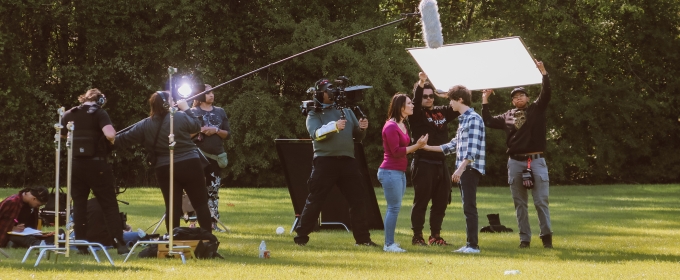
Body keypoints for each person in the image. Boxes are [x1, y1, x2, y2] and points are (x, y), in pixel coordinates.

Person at [293, 78, 377, 247]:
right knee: (316, 199)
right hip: (325, 161)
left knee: (358, 199)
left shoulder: (346, 110)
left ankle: (363, 239)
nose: (332, 93)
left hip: (347, 161)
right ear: (319, 94)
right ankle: (301, 236)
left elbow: (357, 137)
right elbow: (316, 134)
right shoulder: (313, 113)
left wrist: (362, 128)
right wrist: (335, 127)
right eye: (328, 90)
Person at [115, 91, 213, 234]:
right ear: (167, 103)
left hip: (164, 168)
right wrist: (186, 108)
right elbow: (197, 126)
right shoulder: (179, 116)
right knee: (200, 204)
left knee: (172, 206)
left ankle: (173, 241)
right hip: (190, 164)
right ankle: (208, 240)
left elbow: (122, 140)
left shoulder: (145, 124)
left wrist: (106, 138)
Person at [481, 60, 553, 249]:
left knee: (540, 202)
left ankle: (546, 238)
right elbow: (487, 120)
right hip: (515, 162)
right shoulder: (507, 116)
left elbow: (546, 93)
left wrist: (543, 73)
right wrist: (485, 98)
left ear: (528, 98)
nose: (519, 98)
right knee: (520, 204)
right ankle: (524, 240)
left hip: (536, 160)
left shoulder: (537, 109)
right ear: (512, 101)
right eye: (515, 97)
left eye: (522, 95)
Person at [61, 88, 129, 255]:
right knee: (109, 204)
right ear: (100, 101)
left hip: (75, 165)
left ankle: (82, 246)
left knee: (79, 205)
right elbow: (110, 134)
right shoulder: (99, 113)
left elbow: (63, 135)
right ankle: (119, 244)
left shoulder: (69, 113)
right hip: (97, 165)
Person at [423, 85, 486, 254]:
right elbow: (452, 146)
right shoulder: (464, 120)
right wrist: (426, 147)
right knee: (467, 206)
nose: (449, 104)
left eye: (451, 100)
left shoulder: (473, 119)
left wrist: (460, 169)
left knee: (469, 207)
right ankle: (469, 244)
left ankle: (473, 246)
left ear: (460, 100)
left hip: (469, 169)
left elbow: (471, 151)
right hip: (465, 169)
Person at [409, 72, 460, 246]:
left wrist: (447, 95)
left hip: (441, 163)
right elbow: (415, 103)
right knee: (421, 201)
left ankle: (435, 236)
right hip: (423, 162)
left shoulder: (442, 111)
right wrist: (421, 82)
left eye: (431, 96)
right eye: (425, 96)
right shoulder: (415, 114)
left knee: (441, 202)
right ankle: (417, 236)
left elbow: (461, 104)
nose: (429, 99)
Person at [378, 93, 428, 253]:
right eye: (409, 103)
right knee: (393, 208)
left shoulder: (402, 124)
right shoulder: (391, 126)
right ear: (401, 107)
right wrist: (418, 146)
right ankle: (388, 245)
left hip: (398, 172)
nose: (413, 105)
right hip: (390, 172)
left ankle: (390, 242)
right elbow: (396, 152)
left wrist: (418, 144)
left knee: (395, 208)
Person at [190, 84, 231, 232]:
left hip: (216, 157)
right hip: (197, 157)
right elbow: (185, 134)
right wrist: (201, 130)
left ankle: (213, 223)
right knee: (196, 190)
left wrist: (216, 130)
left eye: (212, 92)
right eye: (207, 93)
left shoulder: (220, 112)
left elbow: (228, 134)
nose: (211, 95)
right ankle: (194, 224)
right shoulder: (192, 112)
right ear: (199, 96)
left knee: (213, 191)